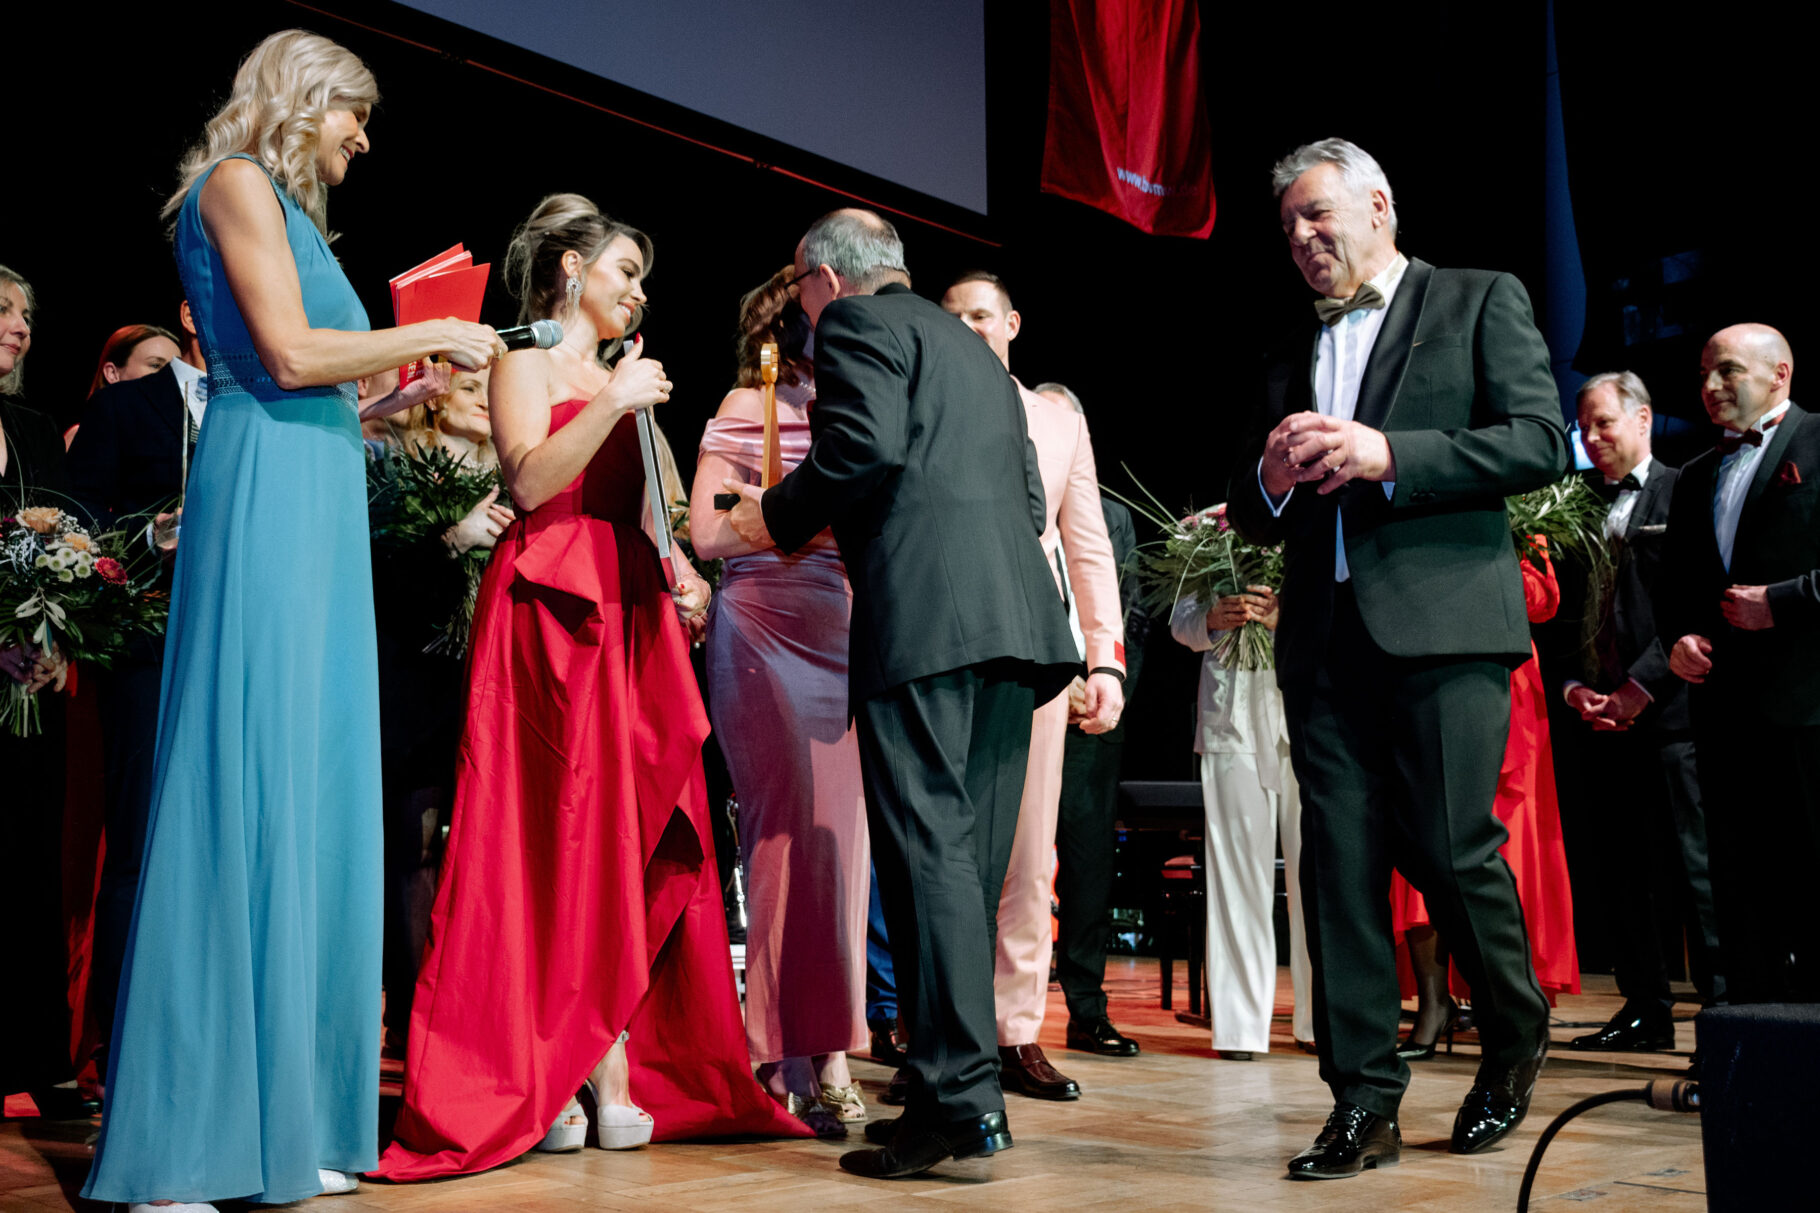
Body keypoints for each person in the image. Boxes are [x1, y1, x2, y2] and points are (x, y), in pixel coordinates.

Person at [80, 30, 506, 1211]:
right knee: (245, 781)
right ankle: (185, 1142)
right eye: (352, 116)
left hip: (315, 489)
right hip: (263, 492)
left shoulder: (298, 215)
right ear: (304, 98)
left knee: (313, 793)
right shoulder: (233, 185)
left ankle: (289, 1119)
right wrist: (429, 334)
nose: (360, 140)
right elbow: (280, 351)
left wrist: (401, 393)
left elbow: (318, 379)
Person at [377, 192, 805, 1182]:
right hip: (545, 611)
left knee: (626, 839)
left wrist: (680, 579)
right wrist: (610, 403)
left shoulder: (622, 373)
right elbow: (527, 484)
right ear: (571, 269)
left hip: (628, 612)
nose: (637, 290)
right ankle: (558, 1073)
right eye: (624, 271)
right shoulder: (524, 358)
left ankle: (611, 1073)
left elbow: (647, 500)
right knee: (547, 840)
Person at [1230, 138, 1566, 1178]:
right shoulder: (1289, 344)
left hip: (1443, 628)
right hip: (1323, 645)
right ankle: (1360, 1099)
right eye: (1287, 224)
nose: (1301, 237)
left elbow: (1538, 440)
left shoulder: (1475, 299)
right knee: (1335, 872)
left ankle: (1511, 1033)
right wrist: (1270, 475)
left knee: (1447, 847)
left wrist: (1393, 454)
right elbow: (1252, 510)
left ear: (1377, 204)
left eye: (1317, 214)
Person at [722, 208, 1079, 1179]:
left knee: (928, 863)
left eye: (799, 290)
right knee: (956, 864)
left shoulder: (853, 325)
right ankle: (940, 1089)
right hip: (1017, 630)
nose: (800, 311)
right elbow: (1021, 492)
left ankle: (958, 1105)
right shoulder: (971, 351)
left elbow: (860, 450)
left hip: (927, 628)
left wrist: (772, 512)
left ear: (823, 281)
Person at [689, 266, 868, 1134]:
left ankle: (831, 1047)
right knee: (775, 838)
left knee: (839, 845)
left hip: (841, 630)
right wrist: (780, 514)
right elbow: (707, 531)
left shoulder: (860, 408)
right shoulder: (742, 404)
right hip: (761, 624)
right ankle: (773, 1047)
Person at [938, 273, 1125, 1101]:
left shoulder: (1058, 419)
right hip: (942, 644)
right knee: (941, 846)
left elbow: (1087, 546)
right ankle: (943, 1034)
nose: (969, 328)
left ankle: (1016, 1030)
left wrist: (1106, 659)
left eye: (982, 315)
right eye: (954, 319)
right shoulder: (927, 406)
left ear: (1012, 323)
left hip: (1041, 648)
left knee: (1028, 852)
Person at [65, 302, 207, 1074]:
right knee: (140, 850)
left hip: (242, 651)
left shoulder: (265, 409)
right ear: (195, 310)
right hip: (148, 650)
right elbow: (78, 529)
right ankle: (122, 1060)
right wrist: (152, 536)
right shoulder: (122, 407)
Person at [1562, 371, 1722, 1050]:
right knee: (1621, 870)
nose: (1593, 438)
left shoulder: (1684, 491)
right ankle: (1644, 1008)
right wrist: (1574, 687)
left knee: (1694, 870)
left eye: (1604, 423)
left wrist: (1641, 687)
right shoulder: (1573, 509)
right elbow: (1564, 615)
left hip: (1672, 717)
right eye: (1585, 426)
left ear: (1644, 420)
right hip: (1600, 719)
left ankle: (1723, 1011)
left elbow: (1692, 603)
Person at [1660, 324, 1819, 1005]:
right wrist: (1679, 639)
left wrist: (1778, 603)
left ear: (1780, 373)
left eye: (1727, 370)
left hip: (1809, 711)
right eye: (1704, 374)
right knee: (1738, 888)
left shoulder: (1818, 441)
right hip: (1724, 717)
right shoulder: (1696, 474)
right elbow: (1676, 590)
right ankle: (1749, 1060)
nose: (1710, 387)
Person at [1390, 540, 1580, 1055]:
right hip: (1423, 667)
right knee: (1424, 841)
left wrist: (1470, 569)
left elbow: (1544, 599)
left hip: (1502, 675)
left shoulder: (1517, 500)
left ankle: (1506, 1004)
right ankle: (1435, 1004)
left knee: (1499, 846)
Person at [1034, 383, 1152, 1060]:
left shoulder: (1112, 515)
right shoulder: (1009, 501)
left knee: (1085, 862)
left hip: (1091, 712)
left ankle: (1086, 1008)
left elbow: (1130, 607)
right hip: (1025, 694)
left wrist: (1104, 679)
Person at [0, 263, 92, 1124]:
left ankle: (39, 1056)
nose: (21, 327)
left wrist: (51, 637)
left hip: (29, 682)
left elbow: (66, 535)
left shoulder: (30, 425)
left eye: (26, 314)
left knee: (30, 865)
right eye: (3, 311)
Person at [1169, 569, 1314, 1060]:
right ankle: (1240, 1028)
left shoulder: (1325, 518)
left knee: (1315, 877)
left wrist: (1287, 619)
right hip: (1230, 721)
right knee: (1237, 876)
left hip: (1310, 716)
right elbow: (1179, 620)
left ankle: (1321, 1022)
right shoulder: (1214, 527)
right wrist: (1209, 618)